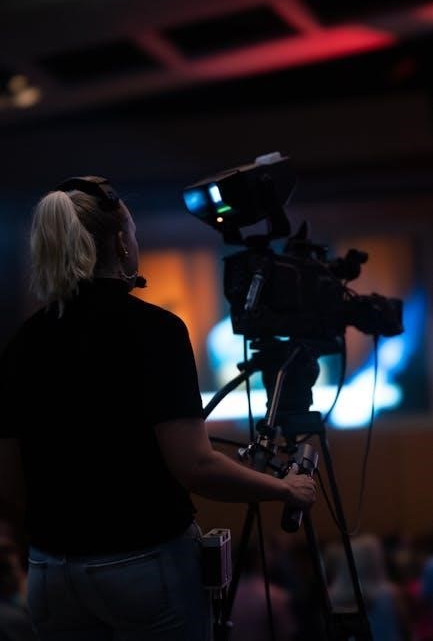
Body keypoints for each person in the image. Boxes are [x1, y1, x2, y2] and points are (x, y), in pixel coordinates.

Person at [0, 176, 316, 641]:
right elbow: (197, 467)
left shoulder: (23, 342)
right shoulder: (155, 330)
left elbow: (9, 482)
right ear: (120, 244)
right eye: (133, 231)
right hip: (144, 568)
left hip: (51, 575)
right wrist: (285, 488)